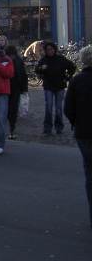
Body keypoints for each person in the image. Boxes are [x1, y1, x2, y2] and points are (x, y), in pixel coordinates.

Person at [64, 45, 92, 229]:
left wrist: (76, 122)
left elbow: (68, 109)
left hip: (84, 132)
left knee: (90, 172)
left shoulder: (77, 81)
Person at [36, 42, 77, 135]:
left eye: (51, 49)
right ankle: (47, 128)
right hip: (48, 86)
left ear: (54, 49)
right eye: (47, 50)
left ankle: (59, 127)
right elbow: (37, 69)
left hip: (60, 86)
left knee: (58, 108)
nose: (50, 51)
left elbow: (72, 67)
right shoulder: (43, 60)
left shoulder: (60, 59)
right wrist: (41, 69)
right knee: (48, 107)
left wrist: (67, 77)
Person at [5, 44, 29, 139]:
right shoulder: (9, 61)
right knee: (9, 108)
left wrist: (24, 89)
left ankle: (12, 127)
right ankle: (9, 125)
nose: (11, 57)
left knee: (13, 109)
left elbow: (23, 75)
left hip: (15, 88)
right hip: (8, 88)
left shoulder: (18, 61)